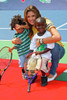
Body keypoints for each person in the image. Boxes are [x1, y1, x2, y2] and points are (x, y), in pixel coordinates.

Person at [12, 5, 65, 82]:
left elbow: (57, 37)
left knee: (54, 47)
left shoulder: (45, 21)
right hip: (42, 50)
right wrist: (13, 40)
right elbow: (19, 32)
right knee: (33, 53)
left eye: (33, 16)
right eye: (28, 17)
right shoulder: (30, 27)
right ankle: (40, 69)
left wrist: (41, 41)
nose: (31, 19)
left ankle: (53, 72)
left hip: (57, 50)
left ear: (37, 14)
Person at [27, 17, 54, 86]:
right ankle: (34, 75)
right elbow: (32, 46)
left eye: (42, 25)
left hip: (45, 54)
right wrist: (30, 53)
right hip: (36, 53)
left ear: (45, 26)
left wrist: (41, 52)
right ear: (35, 26)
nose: (41, 27)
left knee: (42, 65)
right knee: (32, 64)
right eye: (38, 25)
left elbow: (50, 47)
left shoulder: (48, 34)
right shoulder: (35, 36)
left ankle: (43, 76)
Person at [9, 15, 31, 79]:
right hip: (21, 53)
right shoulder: (16, 36)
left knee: (29, 64)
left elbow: (28, 26)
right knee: (22, 65)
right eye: (18, 29)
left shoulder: (26, 31)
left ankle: (28, 71)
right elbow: (17, 45)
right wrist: (12, 48)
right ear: (14, 29)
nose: (20, 29)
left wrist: (21, 26)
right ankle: (23, 72)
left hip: (28, 51)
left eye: (21, 28)